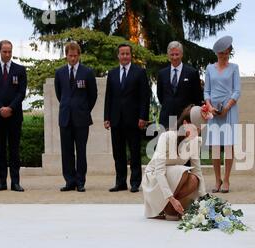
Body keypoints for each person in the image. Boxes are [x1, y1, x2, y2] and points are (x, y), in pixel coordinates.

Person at [143, 105, 207, 221]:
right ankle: (167, 205)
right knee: (183, 172)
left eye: (200, 129)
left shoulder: (196, 141)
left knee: (194, 179)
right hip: (154, 179)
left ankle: (169, 208)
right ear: (185, 123)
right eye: (195, 128)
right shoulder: (167, 137)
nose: (198, 132)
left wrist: (205, 200)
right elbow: (159, 171)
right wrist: (171, 198)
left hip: (174, 178)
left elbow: (197, 171)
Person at [104, 43, 151, 193]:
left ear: (131, 55)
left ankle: (135, 182)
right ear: (118, 55)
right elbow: (108, 97)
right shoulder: (111, 74)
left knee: (135, 152)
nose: (125, 56)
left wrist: (143, 117)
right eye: (122, 54)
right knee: (118, 153)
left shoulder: (139, 72)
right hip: (116, 119)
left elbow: (145, 97)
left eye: (127, 54)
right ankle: (120, 182)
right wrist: (107, 117)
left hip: (134, 120)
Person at [0, 40, 27, 192]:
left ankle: (15, 182)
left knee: (14, 150)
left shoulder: (20, 70)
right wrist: (0, 108)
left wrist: (10, 108)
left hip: (15, 116)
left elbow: (21, 93)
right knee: (0, 149)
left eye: (9, 51)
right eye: (4, 51)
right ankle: (2, 182)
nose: (7, 54)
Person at [54, 42, 98, 192]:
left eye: (75, 55)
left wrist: (83, 109)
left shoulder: (87, 72)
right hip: (65, 117)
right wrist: (69, 106)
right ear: (66, 56)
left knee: (81, 151)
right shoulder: (59, 73)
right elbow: (59, 94)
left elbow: (93, 96)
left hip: (81, 118)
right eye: (70, 55)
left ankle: (80, 181)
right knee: (66, 152)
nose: (72, 58)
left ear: (79, 55)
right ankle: (69, 181)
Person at [204, 36, 241, 194]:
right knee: (215, 147)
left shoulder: (234, 68)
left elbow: (237, 90)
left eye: (225, 53)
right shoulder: (209, 68)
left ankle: (226, 179)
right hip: (213, 111)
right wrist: (210, 107)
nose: (223, 56)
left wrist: (227, 107)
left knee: (227, 146)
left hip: (229, 110)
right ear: (216, 53)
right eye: (220, 53)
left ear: (229, 52)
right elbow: (207, 91)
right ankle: (217, 179)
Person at [157, 41, 203, 129]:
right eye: (172, 54)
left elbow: (197, 97)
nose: (174, 57)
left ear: (181, 54)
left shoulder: (192, 73)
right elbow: (160, 96)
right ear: (168, 55)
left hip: (186, 119)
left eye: (177, 54)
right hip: (166, 118)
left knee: (185, 143)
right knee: (167, 142)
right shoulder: (162, 73)